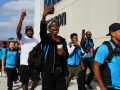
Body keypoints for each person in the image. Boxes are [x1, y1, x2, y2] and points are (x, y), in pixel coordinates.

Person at [40, 6, 69, 90]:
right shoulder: (47, 39)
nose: (55, 27)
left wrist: (64, 54)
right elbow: (42, 32)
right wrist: (43, 16)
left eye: (57, 26)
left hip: (60, 72)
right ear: (49, 29)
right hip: (48, 73)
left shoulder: (62, 40)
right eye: (53, 26)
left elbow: (66, 55)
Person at [16, 12, 40, 90]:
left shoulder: (37, 40)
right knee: (25, 82)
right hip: (24, 64)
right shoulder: (23, 39)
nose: (29, 32)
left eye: (31, 30)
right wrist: (21, 20)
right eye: (28, 31)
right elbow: (17, 32)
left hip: (34, 64)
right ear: (26, 32)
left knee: (36, 80)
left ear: (32, 31)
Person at [93, 23, 120, 90]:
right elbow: (96, 66)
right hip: (111, 86)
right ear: (112, 33)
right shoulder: (104, 48)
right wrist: (101, 86)